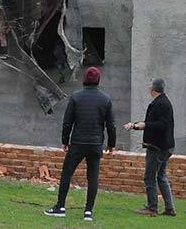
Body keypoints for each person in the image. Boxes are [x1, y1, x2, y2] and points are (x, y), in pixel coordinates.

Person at [45, 66, 116, 222]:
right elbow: (111, 125)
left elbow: (67, 122)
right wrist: (111, 145)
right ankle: (88, 211)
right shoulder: (105, 99)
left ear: (84, 79)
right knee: (93, 176)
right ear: (98, 80)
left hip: (78, 142)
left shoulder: (76, 97)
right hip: (96, 143)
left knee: (67, 173)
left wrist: (65, 141)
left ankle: (60, 207)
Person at [125, 78, 177, 217]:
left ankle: (152, 208)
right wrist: (135, 125)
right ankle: (169, 208)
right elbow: (152, 123)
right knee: (161, 176)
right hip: (165, 146)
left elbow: (160, 125)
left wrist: (145, 125)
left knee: (150, 177)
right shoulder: (161, 102)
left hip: (158, 147)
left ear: (152, 89)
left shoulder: (161, 104)